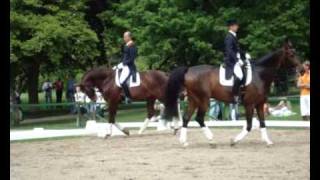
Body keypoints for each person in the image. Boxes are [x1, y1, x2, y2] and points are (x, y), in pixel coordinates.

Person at [224, 19, 245, 104]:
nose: (237, 27)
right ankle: (234, 95)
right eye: (236, 25)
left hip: (235, 59)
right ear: (231, 27)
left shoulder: (233, 36)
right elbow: (229, 51)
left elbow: (237, 49)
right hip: (231, 61)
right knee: (239, 75)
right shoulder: (229, 37)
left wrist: (245, 54)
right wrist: (237, 60)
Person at [116, 31, 138, 102]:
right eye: (124, 37)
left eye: (125, 37)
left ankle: (128, 96)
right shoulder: (126, 45)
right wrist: (119, 64)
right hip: (125, 65)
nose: (124, 38)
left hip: (129, 67)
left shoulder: (132, 45)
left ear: (129, 37)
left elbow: (132, 58)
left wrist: (123, 64)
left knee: (122, 81)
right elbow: (125, 57)